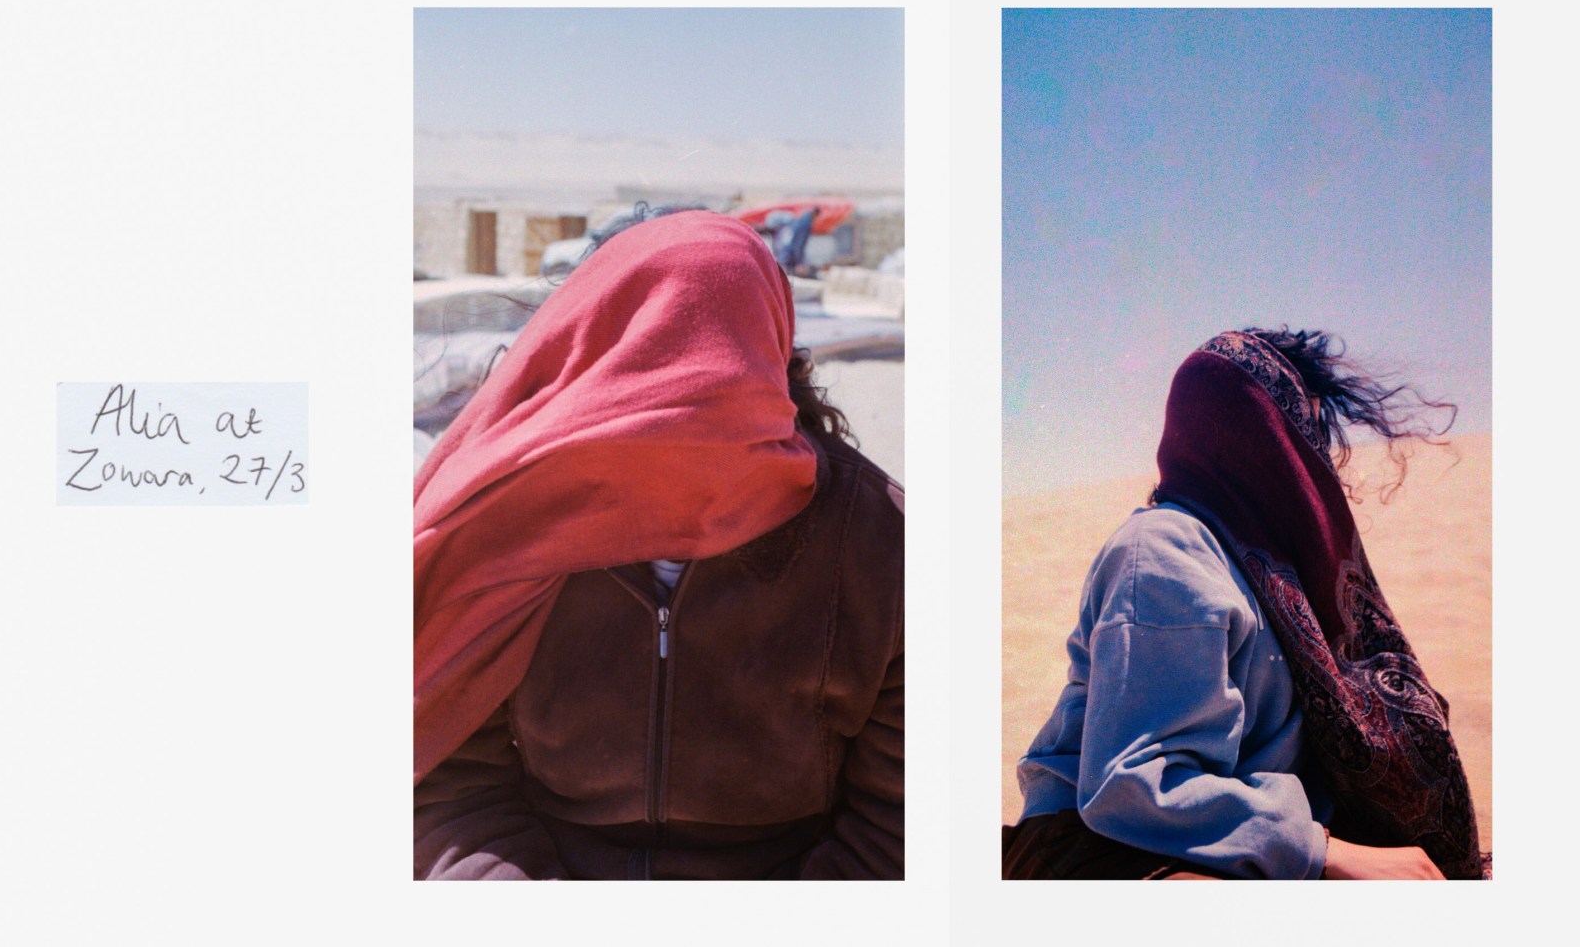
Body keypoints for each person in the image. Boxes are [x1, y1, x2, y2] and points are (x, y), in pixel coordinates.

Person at [413, 210, 903, 880]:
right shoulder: (504, 523)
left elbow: (897, 821)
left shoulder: (878, 543)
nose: (683, 390)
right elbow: (453, 782)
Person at [1003, 328, 1488, 880]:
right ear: (1252, 439)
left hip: (1234, 844)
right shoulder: (1167, 552)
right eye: (1297, 433)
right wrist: (1326, 853)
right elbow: (1130, 785)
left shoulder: (1282, 580)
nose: (1315, 460)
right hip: (1097, 846)